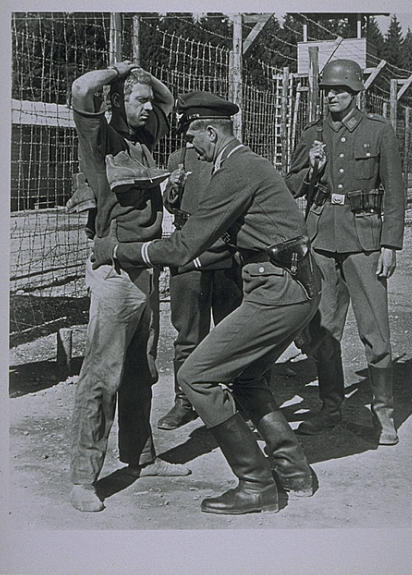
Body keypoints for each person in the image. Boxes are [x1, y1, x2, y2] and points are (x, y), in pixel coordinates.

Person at [92, 91, 322, 516]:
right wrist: (186, 256)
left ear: (211, 133)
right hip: (290, 283)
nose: (190, 148)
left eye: (192, 138)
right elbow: (218, 246)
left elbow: (184, 246)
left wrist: (120, 250)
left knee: (197, 376)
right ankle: (294, 472)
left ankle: (257, 484)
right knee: (248, 378)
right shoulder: (241, 164)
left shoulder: (235, 170)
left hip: (278, 289)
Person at [69, 60, 190, 513]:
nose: (148, 108)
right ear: (117, 102)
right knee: (102, 376)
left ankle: (140, 457)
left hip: (145, 269)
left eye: (147, 102)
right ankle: (84, 479)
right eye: (138, 101)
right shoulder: (99, 140)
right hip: (116, 274)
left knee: (141, 369)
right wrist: (120, 71)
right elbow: (81, 89)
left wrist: (142, 77)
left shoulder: (144, 140)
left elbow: (168, 101)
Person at [285, 59, 405, 445]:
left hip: (365, 243)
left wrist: (390, 244)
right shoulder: (312, 134)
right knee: (322, 330)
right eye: (327, 91)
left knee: (376, 332)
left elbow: (395, 194)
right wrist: (312, 169)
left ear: (356, 92)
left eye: (339, 90)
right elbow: (290, 186)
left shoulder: (378, 131)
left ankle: (383, 414)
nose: (332, 96)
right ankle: (330, 408)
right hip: (321, 240)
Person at [157, 145, 243, 430]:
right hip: (188, 251)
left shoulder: (234, 156)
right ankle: (185, 400)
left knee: (232, 330)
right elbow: (171, 205)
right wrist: (173, 187)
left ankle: (235, 395)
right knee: (188, 333)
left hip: (226, 253)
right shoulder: (179, 157)